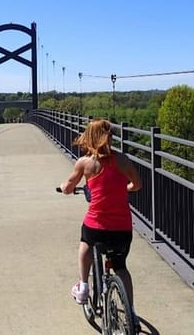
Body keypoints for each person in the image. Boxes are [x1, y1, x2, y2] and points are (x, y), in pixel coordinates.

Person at [59, 118, 142, 328]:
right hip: (122, 228)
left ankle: (84, 286)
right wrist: (125, 188)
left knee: (85, 241)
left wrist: (63, 188)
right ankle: (130, 313)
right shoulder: (123, 160)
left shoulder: (85, 163)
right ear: (110, 137)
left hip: (97, 226)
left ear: (89, 138)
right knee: (121, 267)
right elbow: (137, 184)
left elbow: (69, 187)